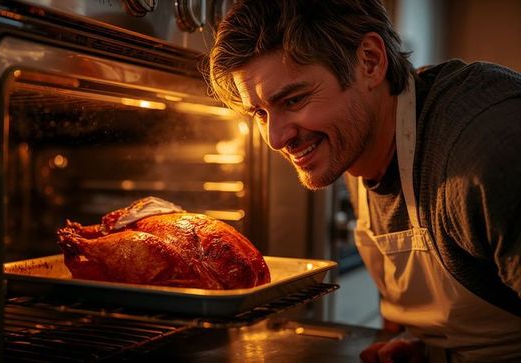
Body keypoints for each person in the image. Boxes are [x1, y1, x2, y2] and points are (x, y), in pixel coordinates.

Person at [205, 1, 521, 362]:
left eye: (294, 99)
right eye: (260, 113)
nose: (275, 138)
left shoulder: (487, 149)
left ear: (369, 61)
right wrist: (423, 344)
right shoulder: (358, 142)